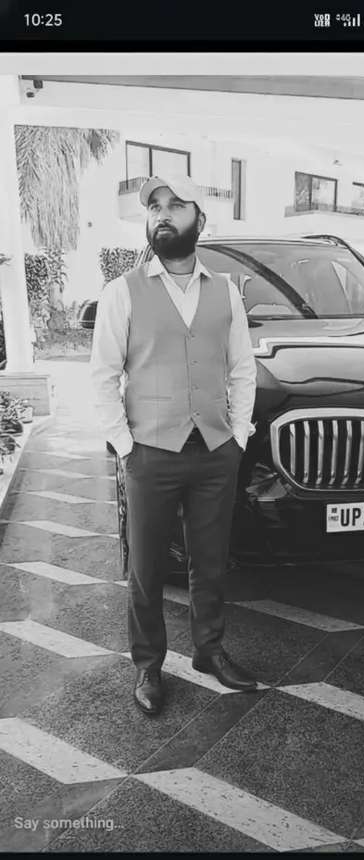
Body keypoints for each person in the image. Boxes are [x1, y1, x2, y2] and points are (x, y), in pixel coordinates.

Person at [90, 174, 258, 716]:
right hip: (150, 453)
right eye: (155, 206)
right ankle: (148, 664)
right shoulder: (123, 291)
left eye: (176, 205)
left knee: (210, 562)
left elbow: (242, 369)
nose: (162, 213)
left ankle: (209, 650)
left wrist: (237, 437)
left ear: (199, 220)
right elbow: (102, 376)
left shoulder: (226, 291)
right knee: (146, 568)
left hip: (215, 451)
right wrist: (126, 445)